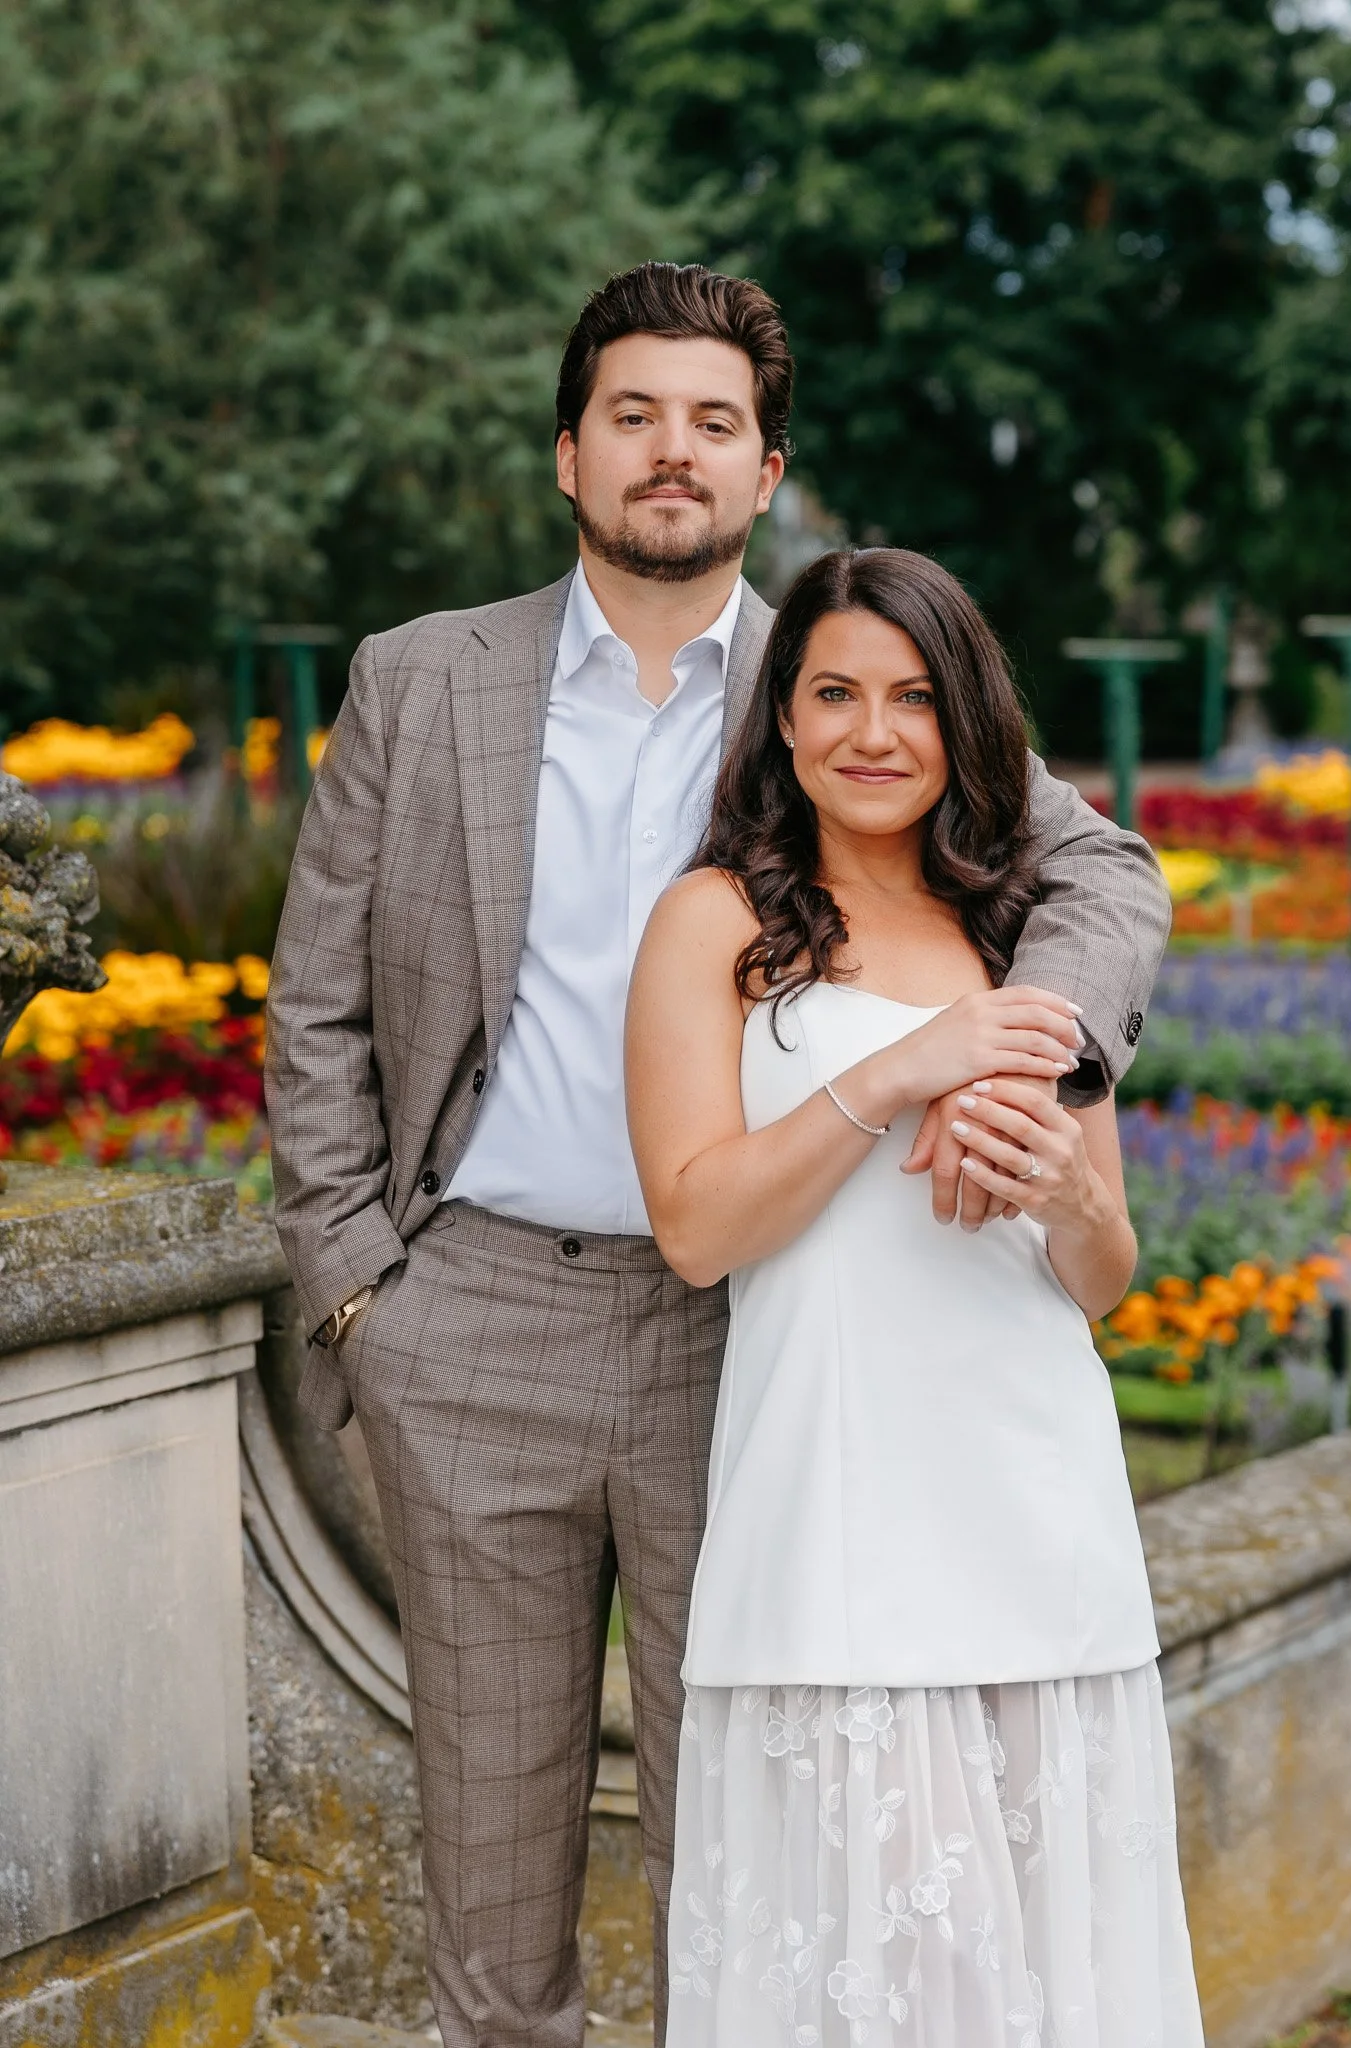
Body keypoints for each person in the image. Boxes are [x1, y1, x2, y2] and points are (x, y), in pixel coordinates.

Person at [265, 262, 1172, 2047]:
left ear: (767, 471)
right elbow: (313, 1015)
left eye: (713, 423)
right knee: (493, 1904)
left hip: (754, 1334)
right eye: (632, 416)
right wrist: (365, 1295)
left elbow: (1099, 873)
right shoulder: (417, 678)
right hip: (476, 1327)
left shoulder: (843, 677)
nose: (669, 455)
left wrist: (1034, 1062)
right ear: (566, 453)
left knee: (756, 1883)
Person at [626, 546, 1201, 2047]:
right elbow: (694, 1225)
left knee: (1055, 1991)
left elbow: (1100, 1278)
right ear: (782, 723)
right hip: (839, 1526)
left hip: (1035, 1507)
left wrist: (1066, 1188)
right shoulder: (713, 926)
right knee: (902, 1991)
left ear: (964, 726)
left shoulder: (1022, 938)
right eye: (833, 695)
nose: (872, 733)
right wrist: (894, 1073)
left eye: (911, 698)